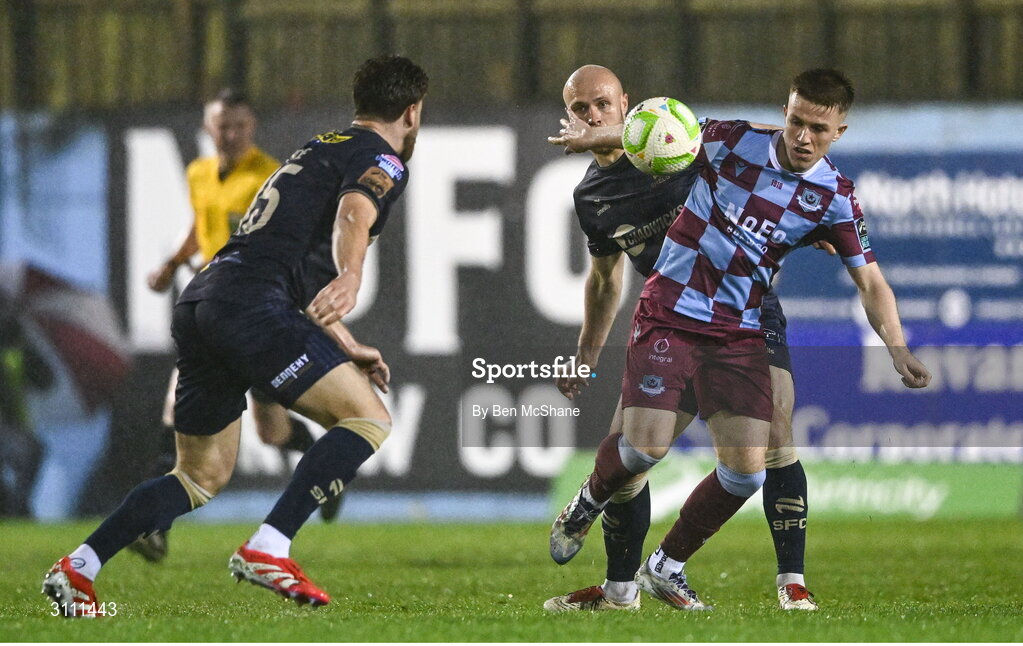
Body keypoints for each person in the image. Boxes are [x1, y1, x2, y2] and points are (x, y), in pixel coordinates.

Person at [42, 55, 428, 616]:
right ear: (412, 112)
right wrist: (351, 274)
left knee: (198, 476)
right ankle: (270, 546)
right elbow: (353, 214)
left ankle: (79, 568)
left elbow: (282, 258)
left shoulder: (315, 147)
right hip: (253, 306)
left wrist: (346, 343)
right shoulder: (381, 158)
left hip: (203, 300)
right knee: (367, 419)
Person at [547, 68, 930, 611]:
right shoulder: (628, 183)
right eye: (794, 122)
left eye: (601, 106)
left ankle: (766, 578)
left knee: (764, 448)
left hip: (743, 320)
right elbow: (607, 276)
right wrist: (584, 355)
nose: (802, 136)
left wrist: (897, 347)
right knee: (635, 453)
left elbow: (870, 278)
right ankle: (616, 584)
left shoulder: (824, 192)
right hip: (672, 313)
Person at [133, 89, 332, 564]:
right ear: (208, 128)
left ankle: (324, 468)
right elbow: (200, 228)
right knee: (175, 411)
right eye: (222, 125)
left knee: (271, 431)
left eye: (239, 125)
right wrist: (173, 263)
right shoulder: (198, 173)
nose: (230, 134)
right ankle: (155, 527)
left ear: (252, 128)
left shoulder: (269, 176)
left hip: (255, 314)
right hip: (211, 313)